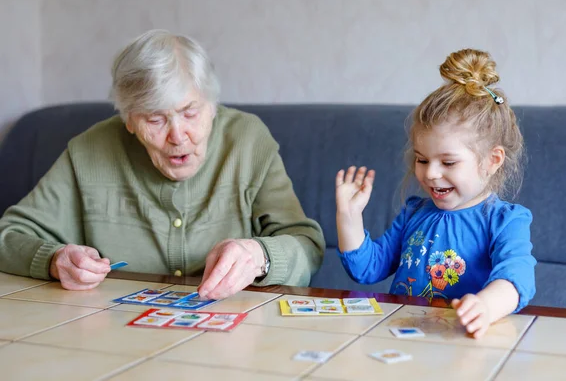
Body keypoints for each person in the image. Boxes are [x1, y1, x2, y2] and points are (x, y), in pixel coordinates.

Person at [0, 29, 325, 300]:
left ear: (212, 106)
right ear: (128, 120)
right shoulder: (89, 151)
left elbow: (306, 247)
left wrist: (259, 257)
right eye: (155, 119)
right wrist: (55, 260)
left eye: (190, 113)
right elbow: (9, 235)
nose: (177, 136)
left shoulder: (248, 141)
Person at [335, 48, 536, 338]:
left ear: (492, 161)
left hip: (462, 344)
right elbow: (367, 269)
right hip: (404, 341)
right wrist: (349, 217)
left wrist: (486, 307)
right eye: (422, 159)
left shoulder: (506, 220)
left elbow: (518, 276)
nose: (430, 173)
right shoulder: (414, 212)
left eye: (448, 162)